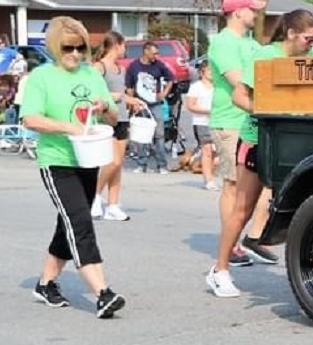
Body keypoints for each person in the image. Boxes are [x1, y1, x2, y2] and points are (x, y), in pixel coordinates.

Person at [210, 9, 313, 298]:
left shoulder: (308, 59)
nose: (311, 43)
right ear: (291, 34)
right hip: (257, 137)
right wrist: (267, 112)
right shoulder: (264, 56)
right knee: (243, 208)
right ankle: (219, 270)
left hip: (293, 140)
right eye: (308, 38)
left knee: (311, 206)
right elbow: (239, 96)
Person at [19, 16, 126, 318]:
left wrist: (105, 108)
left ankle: (46, 283)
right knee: (79, 220)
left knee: (67, 223)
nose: (76, 54)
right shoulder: (42, 77)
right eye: (69, 48)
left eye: (81, 48)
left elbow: (115, 118)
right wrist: (69, 127)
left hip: (88, 159)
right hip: (57, 161)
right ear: (55, 46)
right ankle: (102, 293)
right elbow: (30, 118)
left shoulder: (92, 75)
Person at [206, 0, 272, 291]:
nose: (256, 14)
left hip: (251, 121)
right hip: (229, 119)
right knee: (233, 184)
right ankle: (230, 246)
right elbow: (238, 81)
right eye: (251, 10)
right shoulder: (223, 43)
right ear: (236, 13)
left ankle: (248, 237)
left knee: (255, 186)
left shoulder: (250, 43)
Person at [91, 31, 136, 222]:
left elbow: (122, 94)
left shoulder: (121, 69)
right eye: (124, 45)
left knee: (118, 166)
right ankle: (93, 195)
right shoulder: (99, 67)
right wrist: (112, 97)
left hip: (122, 117)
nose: (125, 50)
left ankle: (113, 204)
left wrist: (132, 100)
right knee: (113, 161)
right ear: (116, 45)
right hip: (105, 118)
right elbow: (93, 92)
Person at [125, 41, 175, 174]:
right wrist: (132, 103)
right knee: (142, 135)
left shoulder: (159, 65)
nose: (156, 56)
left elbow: (171, 78)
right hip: (140, 104)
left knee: (159, 134)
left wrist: (164, 93)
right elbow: (129, 86)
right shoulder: (134, 66)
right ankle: (142, 163)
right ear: (146, 51)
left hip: (155, 103)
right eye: (154, 53)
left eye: (157, 53)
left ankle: (162, 164)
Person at [184, 60, 219, 191]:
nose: (212, 73)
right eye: (209, 70)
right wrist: (208, 111)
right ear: (202, 72)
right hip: (202, 122)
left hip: (217, 122)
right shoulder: (196, 87)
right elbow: (191, 105)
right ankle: (208, 180)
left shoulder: (217, 86)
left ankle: (211, 174)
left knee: (217, 153)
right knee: (207, 150)